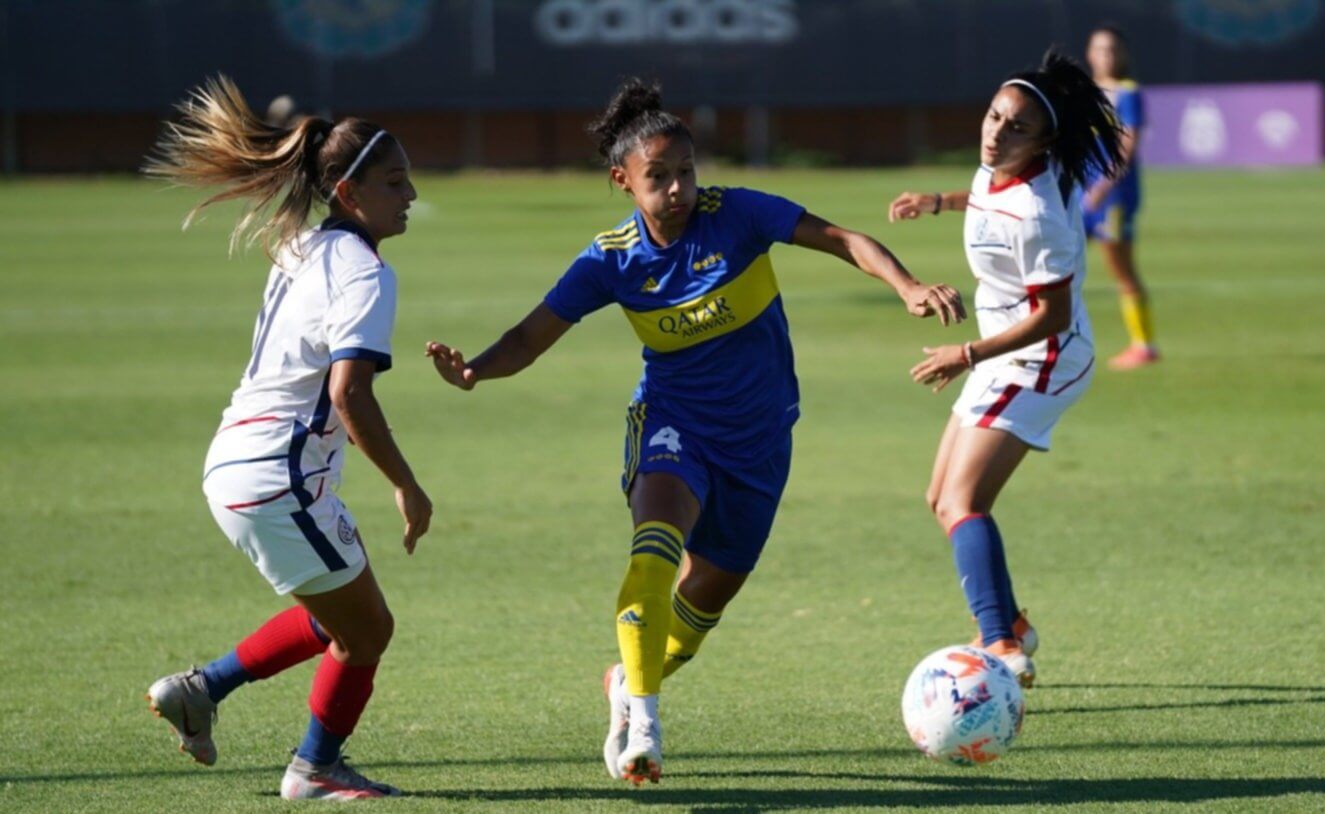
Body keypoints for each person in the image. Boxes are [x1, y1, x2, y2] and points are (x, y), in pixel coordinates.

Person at [426, 78, 965, 785]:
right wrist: (475, 373)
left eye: (685, 172)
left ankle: (628, 681)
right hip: (673, 423)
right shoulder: (610, 259)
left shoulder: (736, 215)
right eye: (659, 177)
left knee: (708, 593)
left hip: (761, 437)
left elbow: (840, 238)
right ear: (622, 181)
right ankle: (643, 721)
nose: (677, 188)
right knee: (653, 547)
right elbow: (531, 335)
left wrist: (906, 284)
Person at [142, 76, 431, 800]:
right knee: (366, 632)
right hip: (279, 477)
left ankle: (201, 690)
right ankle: (314, 768)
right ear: (345, 191)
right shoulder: (364, 272)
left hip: (238, 462)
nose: (411, 195)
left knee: (339, 610)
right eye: (394, 182)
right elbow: (348, 392)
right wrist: (406, 483)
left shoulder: (301, 246)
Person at [886, 50, 1125, 687]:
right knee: (941, 498)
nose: (996, 132)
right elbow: (991, 195)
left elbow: (1052, 316)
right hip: (1005, 350)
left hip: (1043, 359)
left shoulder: (1042, 214)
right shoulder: (1003, 166)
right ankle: (1012, 625)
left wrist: (964, 354)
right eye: (995, 117)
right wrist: (939, 200)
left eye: (1017, 127)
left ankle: (1002, 646)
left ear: (1045, 140)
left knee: (965, 500)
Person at [1085, 24, 1158, 370]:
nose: (1107, 55)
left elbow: (1128, 145)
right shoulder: (1083, 93)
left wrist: (1103, 187)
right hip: (1080, 197)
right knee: (1056, 265)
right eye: (1100, 48)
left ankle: (1143, 345)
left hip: (1111, 199)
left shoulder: (1127, 93)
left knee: (1122, 270)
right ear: (1089, 53)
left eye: (1113, 49)